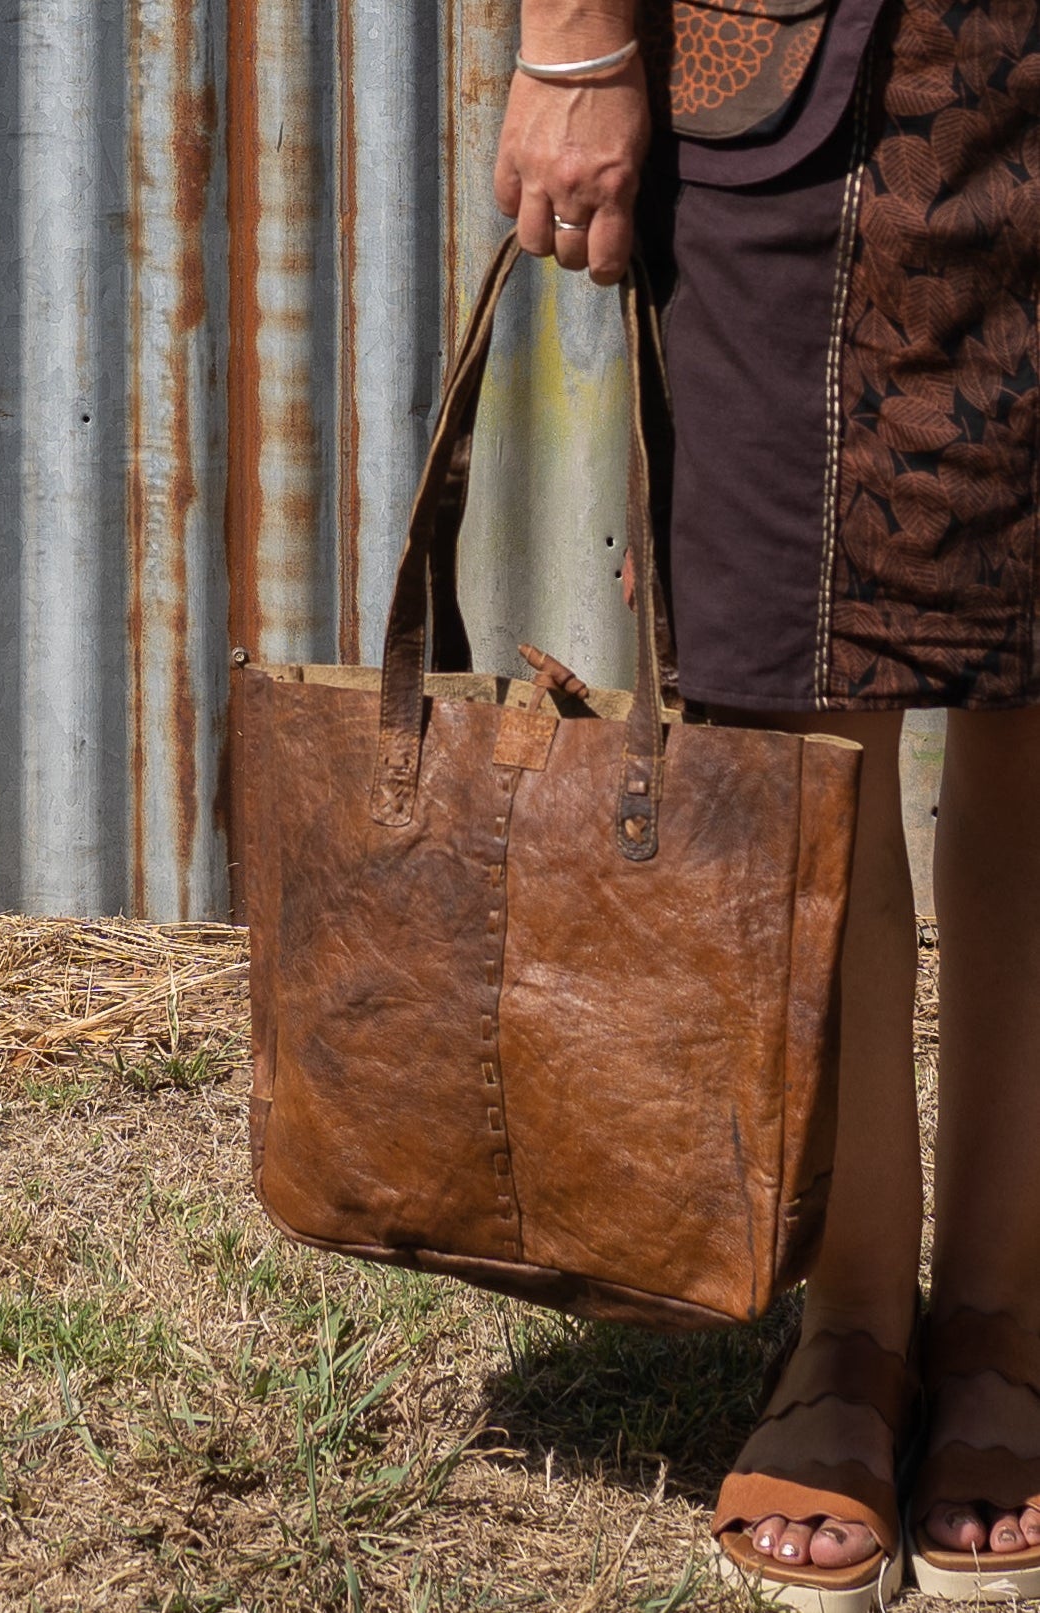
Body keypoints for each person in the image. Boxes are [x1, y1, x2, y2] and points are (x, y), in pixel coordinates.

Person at [494, 0, 1040, 1605]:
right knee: (792, 673)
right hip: (808, 55)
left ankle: (1009, 1312)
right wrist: (577, 39)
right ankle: (858, 1318)